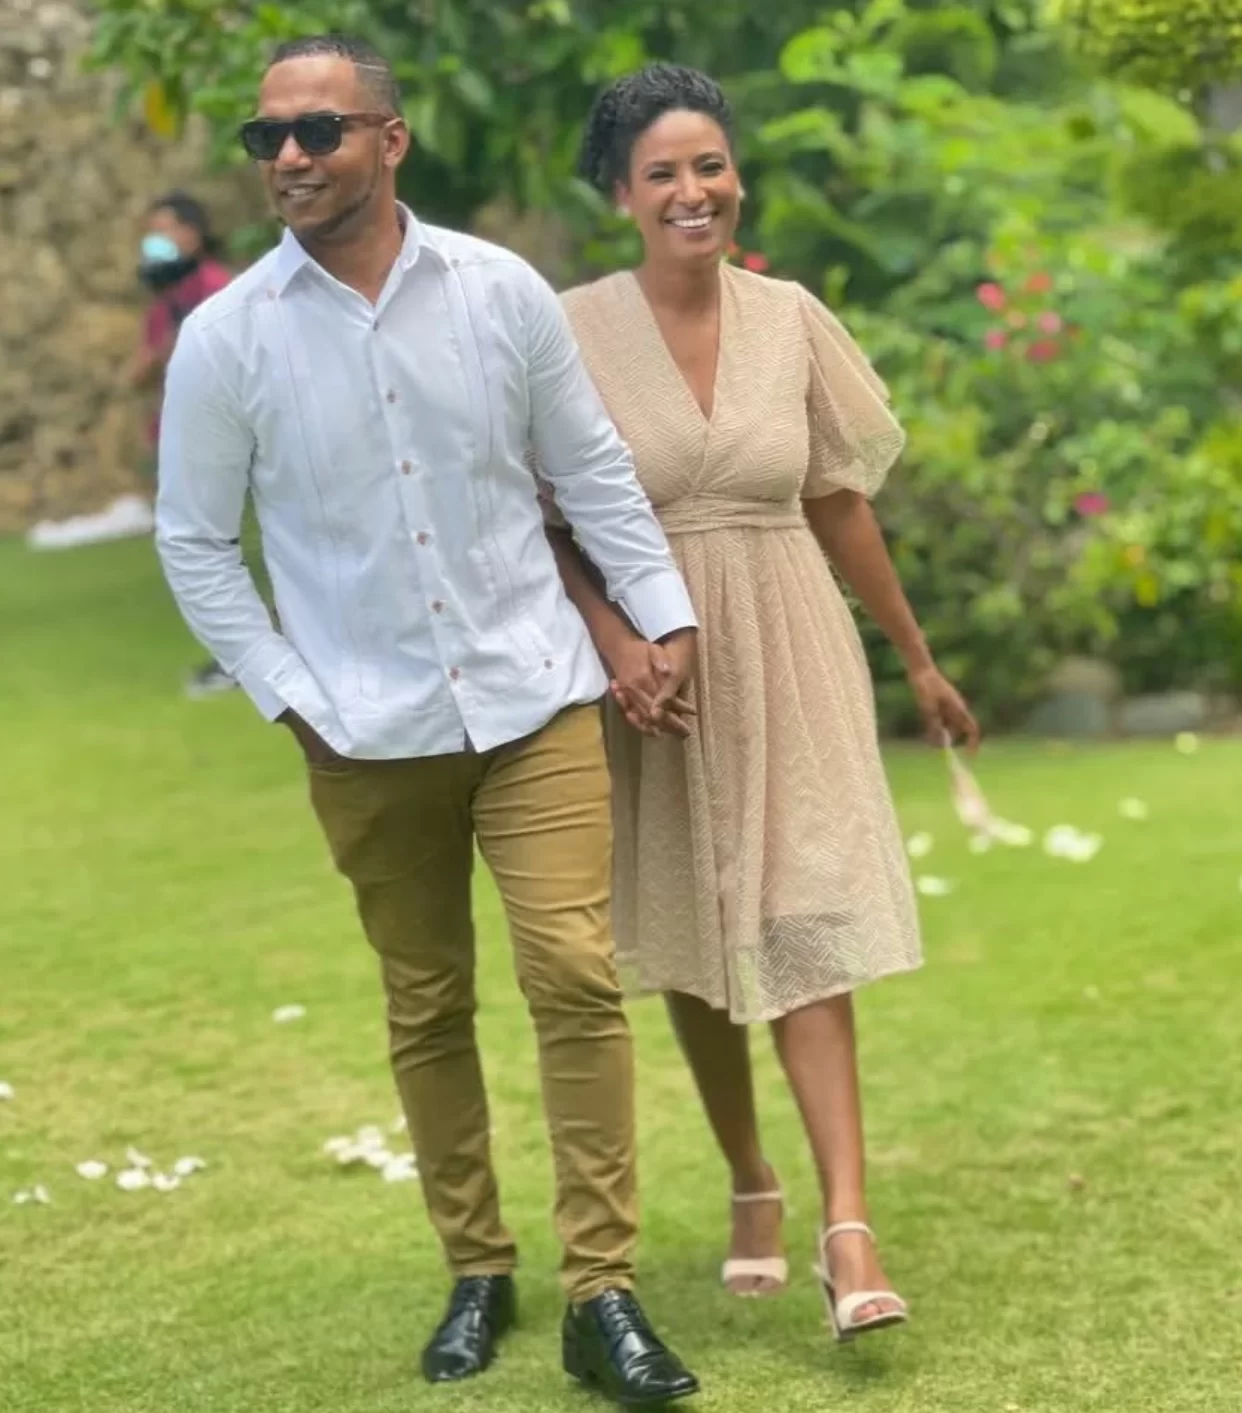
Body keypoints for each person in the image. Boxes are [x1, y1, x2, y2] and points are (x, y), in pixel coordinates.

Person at [154, 33, 701, 1407]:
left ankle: (604, 1292)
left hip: (532, 696)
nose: (289, 157)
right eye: (268, 137)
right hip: (362, 727)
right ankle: (476, 1265)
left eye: (319, 131)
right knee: (426, 1001)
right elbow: (193, 542)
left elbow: (586, 467)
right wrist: (291, 696)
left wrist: (661, 613)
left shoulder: (498, 291)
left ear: (389, 140)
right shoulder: (227, 338)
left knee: (574, 976)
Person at [545, 64, 979, 1341]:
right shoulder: (567, 330)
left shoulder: (790, 318)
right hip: (656, 674)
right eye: (664, 173)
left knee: (804, 920)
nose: (695, 191)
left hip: (792, 644)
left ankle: (848, 1229)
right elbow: (540, 520)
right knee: (691, 930)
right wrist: (619, 645)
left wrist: (917, 657)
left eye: (711, 165)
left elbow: (839, 500)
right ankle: (751, 1178)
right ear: (622, 195)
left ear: (736, 177)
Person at [126, 191, 237, 699]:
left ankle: (240, 660)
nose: (156, 241)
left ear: (193, 233)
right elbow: (139, 375)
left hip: (229, 445)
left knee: (231, 553)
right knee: (200, 560)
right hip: (180, 444)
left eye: (165, 229)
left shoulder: (219, 290)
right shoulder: (163, 303)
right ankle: (230, 657)